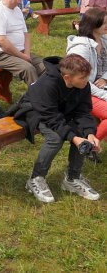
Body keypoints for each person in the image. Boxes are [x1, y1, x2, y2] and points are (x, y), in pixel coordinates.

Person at [16, 54, 101, 203]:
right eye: (82, 78)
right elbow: (51, 118)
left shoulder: (82, 85)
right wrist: (75, 139)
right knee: (55, 138)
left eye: (87, 77)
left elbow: (83, 111)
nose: (87, 81)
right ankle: (36, 178)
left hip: (58, 111)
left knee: (82, 133)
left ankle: (72, 179)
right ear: (68, 78)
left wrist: (89, 133)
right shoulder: (48, 84)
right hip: (35, 111)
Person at [0, 0, 45, 86]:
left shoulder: (17, 10)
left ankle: (47, 94)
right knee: (28, 69)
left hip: (19, 52)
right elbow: (1, 41)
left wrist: (26, 54)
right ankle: (38, 99)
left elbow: (26, 34)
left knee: (45, 66)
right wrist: (22, 56)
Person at [67, 8, 107, 145]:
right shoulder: (81, 49)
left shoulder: (103, 39)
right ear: (93, 25)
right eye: (105, 23)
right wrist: (103, 94)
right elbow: (81, 81)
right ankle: (89, 146)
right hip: (82, 91)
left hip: (99, 86)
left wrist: (105, 78)